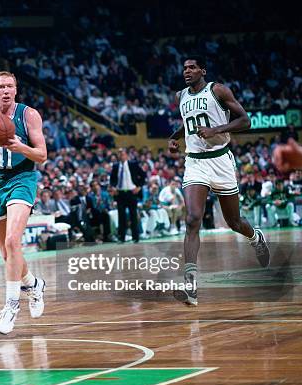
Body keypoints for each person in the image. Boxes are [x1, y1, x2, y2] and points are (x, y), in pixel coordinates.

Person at [168, 56, 270, 306]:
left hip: (221, 161)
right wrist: (175, 137)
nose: (187, 71)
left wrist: (217, 130)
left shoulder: (218, 90)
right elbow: (189, 123)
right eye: (184, 68)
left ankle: (255, 237)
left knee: (234, 221)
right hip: (195, 162)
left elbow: (246, 121)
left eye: (192, 67)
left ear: (202, 70)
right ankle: (190, 284)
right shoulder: (181, 96)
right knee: (192, 219)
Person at [0, 71, 47, 334]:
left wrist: (21, 148)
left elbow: (42, 155)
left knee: (14, 242)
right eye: (1, 86)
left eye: (10, 86)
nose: (5, 90)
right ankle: (34, 284)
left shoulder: (29, 115)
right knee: (7, 253)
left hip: (21, 178)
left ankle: (11, 306)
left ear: (16, 90)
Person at [110, 149, 146, 242]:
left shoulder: (133, 164)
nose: (121, 156)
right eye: (119, 154)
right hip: (120, 193)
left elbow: (143, 175)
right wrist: (113, 187)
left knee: (133, 215)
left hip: (131, 192)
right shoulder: (115, 166)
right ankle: (122, 237)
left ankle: (135, 237)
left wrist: (139, 187)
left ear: (126, 155)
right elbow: (112, 179)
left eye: (122, 154)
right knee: (121, 216)